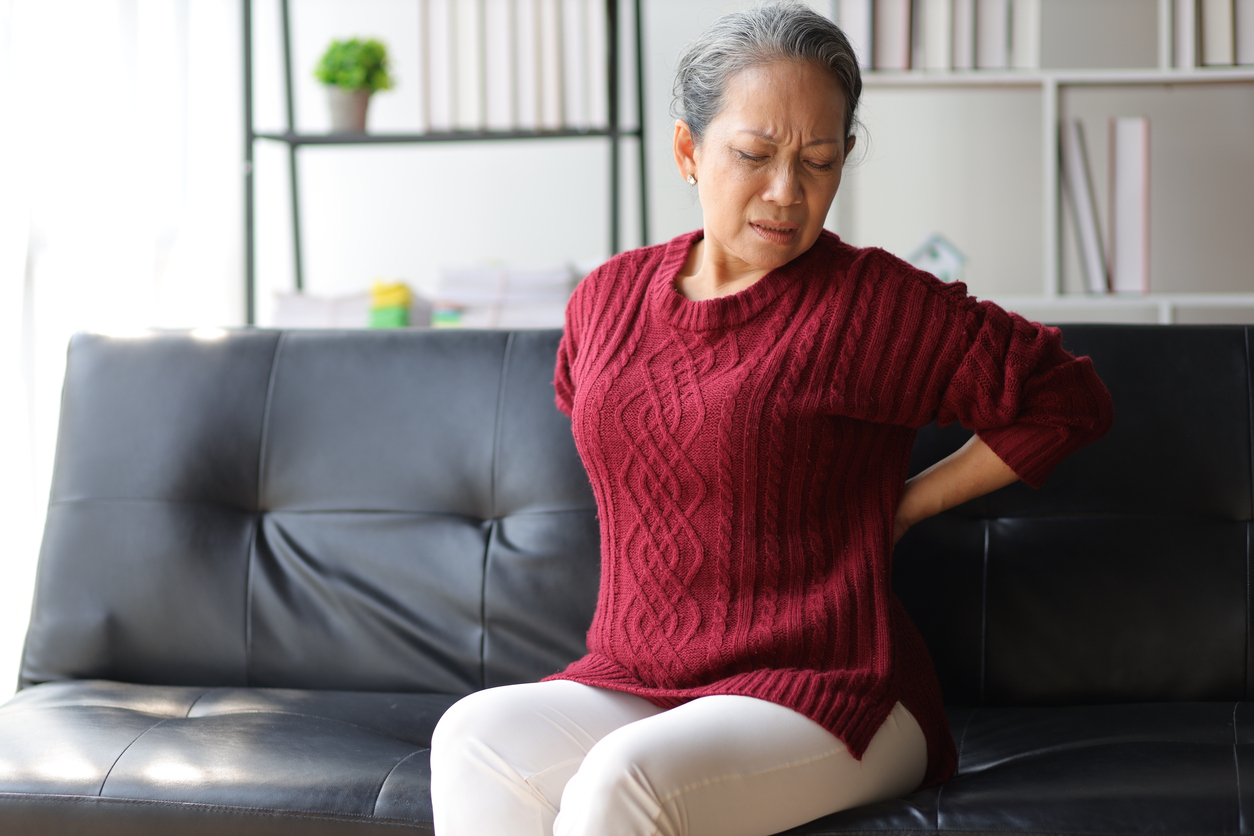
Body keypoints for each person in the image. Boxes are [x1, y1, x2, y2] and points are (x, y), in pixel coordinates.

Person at [429, 3, 1113, 835]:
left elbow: (1065, 398)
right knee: (471, 736)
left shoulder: (870, 304)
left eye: (820, 163)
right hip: (639, 675)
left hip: (836, 686)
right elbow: (603, 419)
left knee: (622, 784)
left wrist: (905, 505)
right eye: (754, 155)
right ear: (688, 149)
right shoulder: (606, 298)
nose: (787, 194)